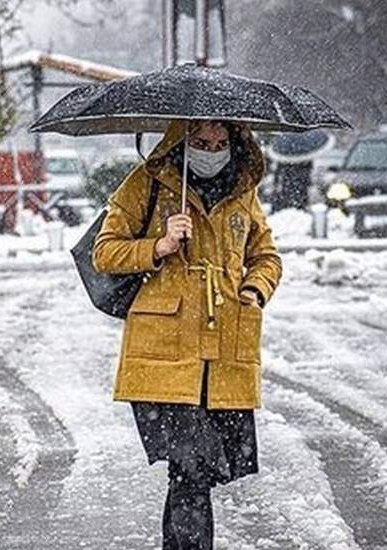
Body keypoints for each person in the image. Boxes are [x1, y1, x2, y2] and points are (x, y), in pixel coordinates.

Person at [91, 119, 282, 550]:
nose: (211, 151)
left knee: (198, 472)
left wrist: (254, 289)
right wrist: (158, 246)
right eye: (199, 142)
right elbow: (105, 252)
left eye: (219, 143)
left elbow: (266, 256)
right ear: (181, 141)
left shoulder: (242, 192)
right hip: (163, 356)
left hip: (222, 357)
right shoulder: (148, 183)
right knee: (192, 467)